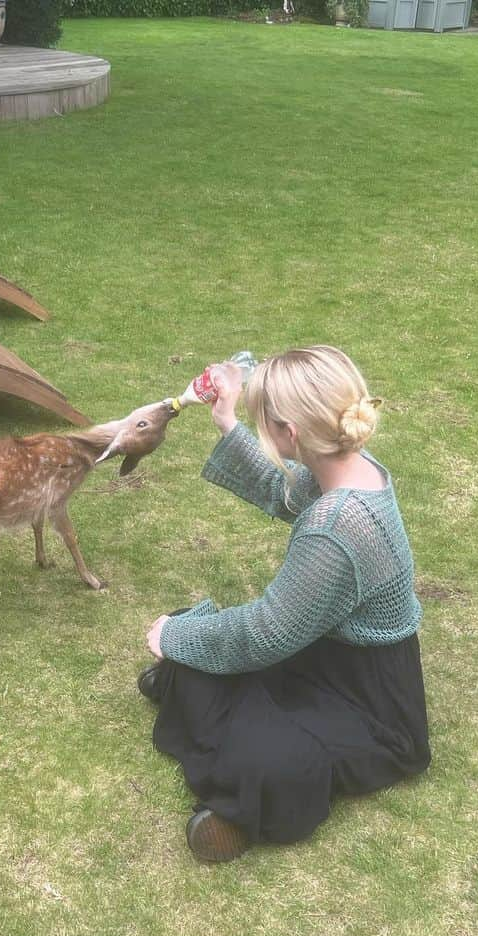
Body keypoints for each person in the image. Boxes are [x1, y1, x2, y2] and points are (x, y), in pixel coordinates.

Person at [141, 347, 430, 862]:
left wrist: (172, 638)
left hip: (371, 704)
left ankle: (236, 811)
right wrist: (227, 419)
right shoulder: (349, 467)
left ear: (290, 435)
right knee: (208, 650)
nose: (259, 428)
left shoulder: (338, 526)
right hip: (329, 653)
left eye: (262, 422)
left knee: (264, 754)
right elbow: (281, 491)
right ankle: (181, 681)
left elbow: (263, 634)